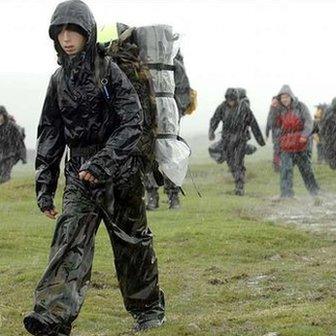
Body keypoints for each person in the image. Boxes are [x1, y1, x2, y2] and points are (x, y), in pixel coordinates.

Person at [23, 1, 165, 335]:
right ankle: (53, 317)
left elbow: (133, 120)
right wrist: (45, 185)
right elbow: (50, 133)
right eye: (60, 32)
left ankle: (148, 310)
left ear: (88, 32)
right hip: (78, 175)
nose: (66, 38)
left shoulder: (109, 71)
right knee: (69, 241)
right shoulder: (58, 80)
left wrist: (105, 162)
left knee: (131, 244)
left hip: (120, 174)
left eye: (73, 31)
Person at [208, 88, 265, 195]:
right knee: (231, 163)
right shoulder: (222, 107)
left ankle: (240, 187)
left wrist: (260, 140)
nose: (231, 102)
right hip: (227, 140)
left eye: (233, 100)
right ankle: (237, 181)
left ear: (237, 99)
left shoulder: (244, 108)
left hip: (240, 139)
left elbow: (253, 124)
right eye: (229, 100)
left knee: (238, 162)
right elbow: (215, 119)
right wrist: (211, 131)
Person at [271, 85, 319, 198]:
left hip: (301, 146)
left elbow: (309, 122)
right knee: (285, 171)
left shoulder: (301, 107)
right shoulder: (279, 110)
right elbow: (274, 124)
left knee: (307, 171)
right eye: (282, 98)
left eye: (286, 97)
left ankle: (315, 193)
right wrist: (272, 108)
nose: (284, 100)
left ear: (291, 97)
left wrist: (305, 135)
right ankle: (286, 195)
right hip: (286, 147)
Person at [0, 105, 26, 184]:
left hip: (11, 154)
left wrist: (22, 156)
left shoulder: (12, 126)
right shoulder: (1, 127)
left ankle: (5, 188)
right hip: (2, 155)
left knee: (5, 175)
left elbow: (20, 140)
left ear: (3, 115)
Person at [266, 97, 282, 172]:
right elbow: (268, 122)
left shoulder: (281, 109)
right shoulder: (271, 110)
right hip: (275, 132)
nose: (274, 103)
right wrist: (266, 133)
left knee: (281, 149)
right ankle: (276, 166)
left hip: (282, 132)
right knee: (277, 149)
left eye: (276, 102)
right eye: (273, 102)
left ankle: (279, 165)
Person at [320, 98, 336, 169]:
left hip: (330, 139)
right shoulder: (329, 115)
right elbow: (323, 128)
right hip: (331, 139)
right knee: (332, 164)